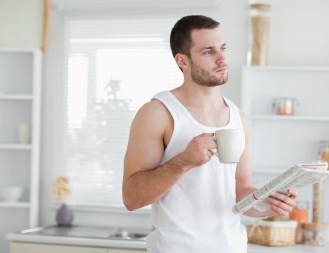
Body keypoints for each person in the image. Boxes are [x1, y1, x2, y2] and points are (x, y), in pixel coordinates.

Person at [123, 15, 298, 253]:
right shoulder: (158, 113)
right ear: (183, 61)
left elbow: (240, 190)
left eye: (222, 48)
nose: (222, 58)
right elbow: (132, 198)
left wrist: (268, 205)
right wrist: (183, 161)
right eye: (208, 52)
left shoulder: (239, 118)